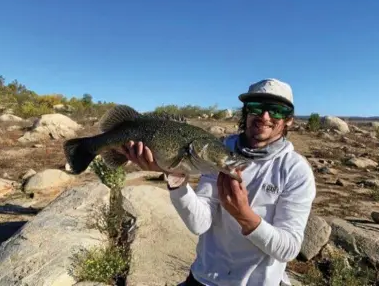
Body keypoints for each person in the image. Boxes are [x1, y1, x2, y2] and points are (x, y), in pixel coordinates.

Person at [119, 78, 316, 286]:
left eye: (276, 110)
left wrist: (244, 215)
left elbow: (289, 249)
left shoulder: (295, 170)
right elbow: (199, 223)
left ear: (289, 120)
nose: (265, 116)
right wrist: (176, 180)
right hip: (204, 280)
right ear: (246, 112)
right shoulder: (217, 153)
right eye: (256, 107)